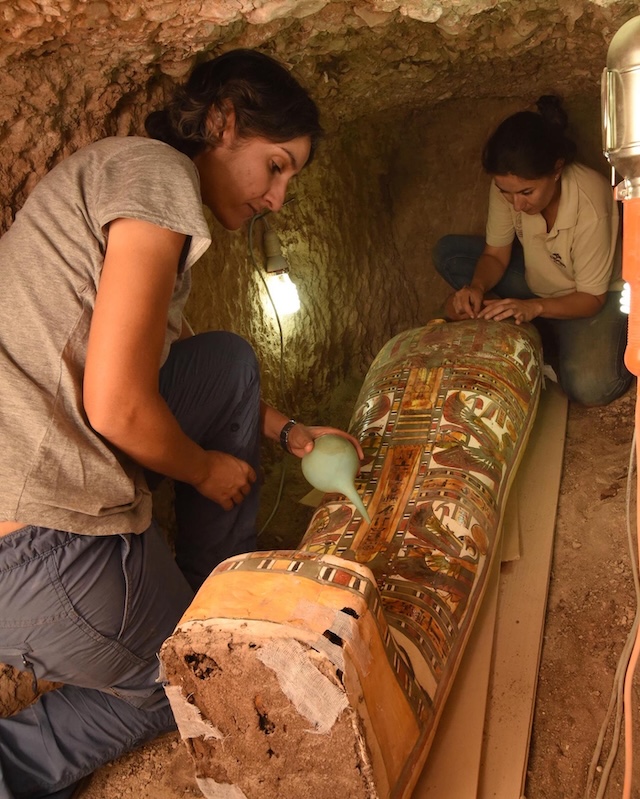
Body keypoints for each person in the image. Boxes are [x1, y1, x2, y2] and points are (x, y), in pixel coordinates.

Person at [0, 49, 362, 799]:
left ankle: (207, 602)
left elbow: (168, 368)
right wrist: (204, 470)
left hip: (28, 504)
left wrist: (290, 431)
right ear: (224, 122)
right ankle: (16, 764)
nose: (279, 197)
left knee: (225, 360)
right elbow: (118, 406)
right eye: (276, 166)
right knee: (192, 682)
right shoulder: (158, 176)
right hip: (33, 541)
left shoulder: (128, 178)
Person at [433, 95, 631, 407]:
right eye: (506, 193)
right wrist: (477, 287)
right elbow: (495, 255)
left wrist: (534, 308)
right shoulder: (510, 188)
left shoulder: (590, 202)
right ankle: (525, 322)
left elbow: (591, 298)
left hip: (594, 296)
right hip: (539, 280)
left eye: (527, 192)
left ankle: (550, 331)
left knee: (590, 386)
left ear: (556, 170)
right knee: (450, 254)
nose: (517, 204)